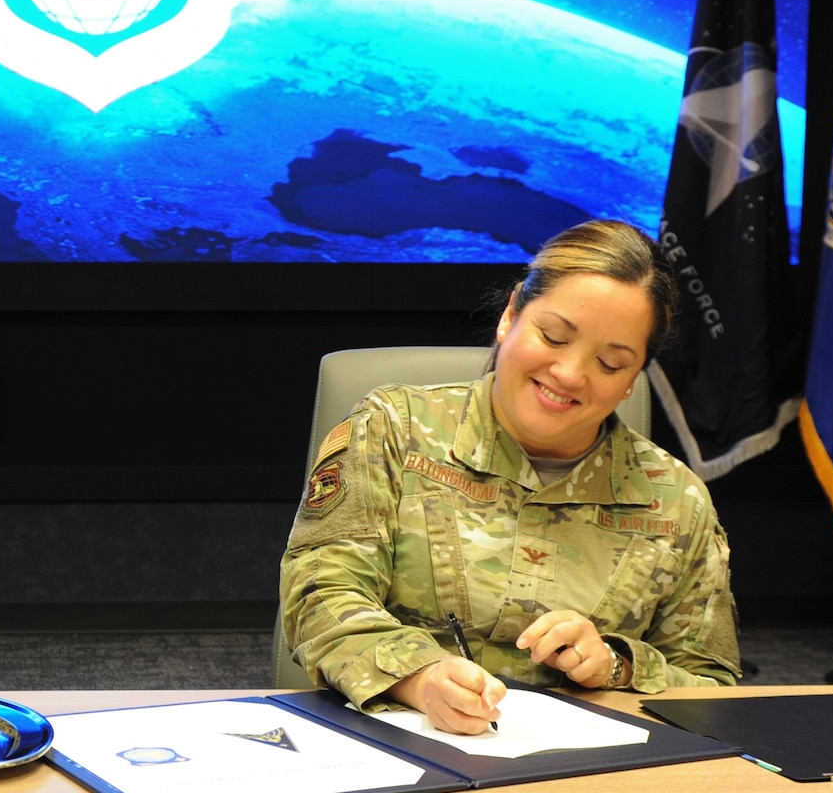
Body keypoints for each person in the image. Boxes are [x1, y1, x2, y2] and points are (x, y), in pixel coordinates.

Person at [279, 219, 740, 735]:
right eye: (554, 336)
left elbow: (711, 687)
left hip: (591, 777)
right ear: (511, 314)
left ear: (634, 378)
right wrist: (420, 677)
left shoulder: (676, 500)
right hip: (398, 746)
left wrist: (616, 665)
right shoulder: (394, 429)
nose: (569, 373)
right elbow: (319, 596)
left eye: (610, 363)